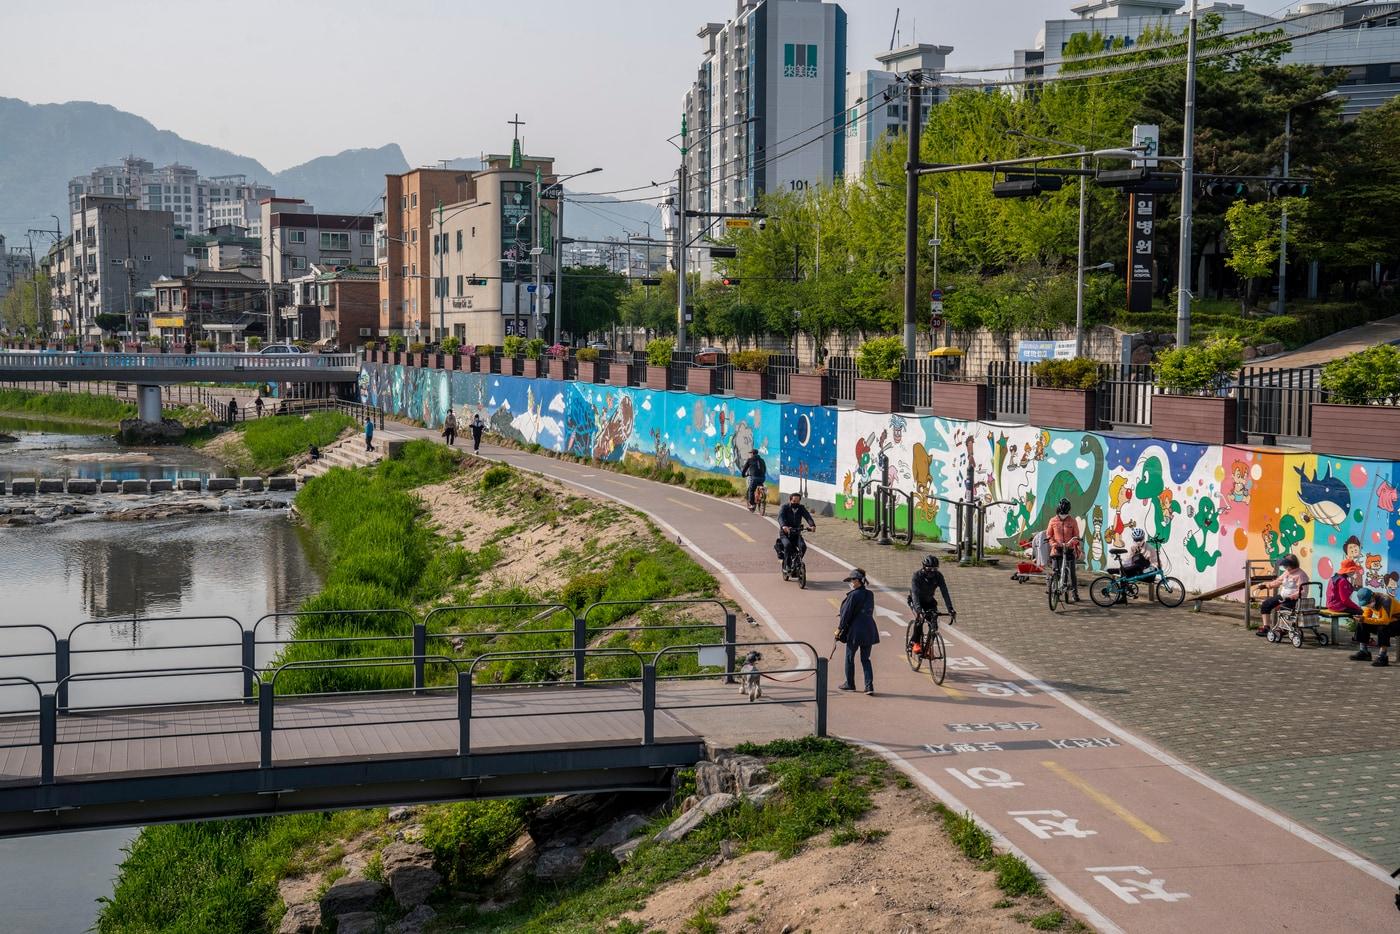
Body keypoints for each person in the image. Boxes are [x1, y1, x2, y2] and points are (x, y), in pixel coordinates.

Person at [835, 568, 879, 695]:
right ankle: (869, 686)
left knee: (849, 657)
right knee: (866, 659)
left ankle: (850, 684)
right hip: (869, 630)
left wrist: (839, 629)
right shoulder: (870, 594)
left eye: (852, 580)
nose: (851, 582)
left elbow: (846, 614)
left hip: (855, 631)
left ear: (858, 581)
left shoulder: (853, 595)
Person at [909, 554, 955, 655]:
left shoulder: (938, 576)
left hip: (929, 601)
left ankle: (929, 646)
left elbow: (945, 592)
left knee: (934, 625)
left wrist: (950, 609)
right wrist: (919, 610)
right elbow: (915, 594)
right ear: (924, 567)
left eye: (935, 569)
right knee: (919, 620)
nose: (932, 572)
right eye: (929, 569)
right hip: (916, 601)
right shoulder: (917, 576)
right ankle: (916, 642)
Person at [1255, 554, 1308, 637]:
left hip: (1294, 600)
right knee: (1266, 604)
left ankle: (1284, 628)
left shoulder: (1301, 575)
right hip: (1283, 596)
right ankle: (1266, 627)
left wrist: (1290, 597)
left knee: (1283, 607)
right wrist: (1266, 585)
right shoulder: (1287, 572)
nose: (1284, 567)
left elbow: (1303, 591)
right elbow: (1278, 581)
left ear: (1292, 564)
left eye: (1286, 565)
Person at [1350, 586, 1400, 666]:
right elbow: (1366, 617)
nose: (1367, 605)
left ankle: (1382, 657)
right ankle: (1364, 652)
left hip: (1397, 622)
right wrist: (1362, 619)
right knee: (1362, 624)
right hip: (1389, 622)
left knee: (1383, 628)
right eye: (1365, 604)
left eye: (1368, 602)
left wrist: (1364, 619)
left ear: (1373, 596)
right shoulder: (1370, 602)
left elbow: (1385, 621)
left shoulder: (1386, 601)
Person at [1047, 497, 1082, 602]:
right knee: (1056, 571)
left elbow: (1076, 536)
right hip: (1057, 549)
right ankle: (1054, 591)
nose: (1063, 514)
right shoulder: (1053, 520)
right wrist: (1053, 543)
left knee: (1072, 573)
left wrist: (1072, 542)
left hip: (1069, 549)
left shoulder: (1072, 521)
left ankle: (1075, 594)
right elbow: (1049, 535)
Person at [775, 491, 815, 571]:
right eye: (794, 501)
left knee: (803, 547)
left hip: (796, 533)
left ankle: (797, 562)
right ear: (790, 500)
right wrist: (784, 526)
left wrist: (812, 525)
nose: (795, 503)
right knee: (787, 545)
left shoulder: (801, 508)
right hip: (785, 534)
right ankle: (786, 565)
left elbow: (807, 516)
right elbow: (780, 517)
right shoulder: (785, 507)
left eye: (798, 501)